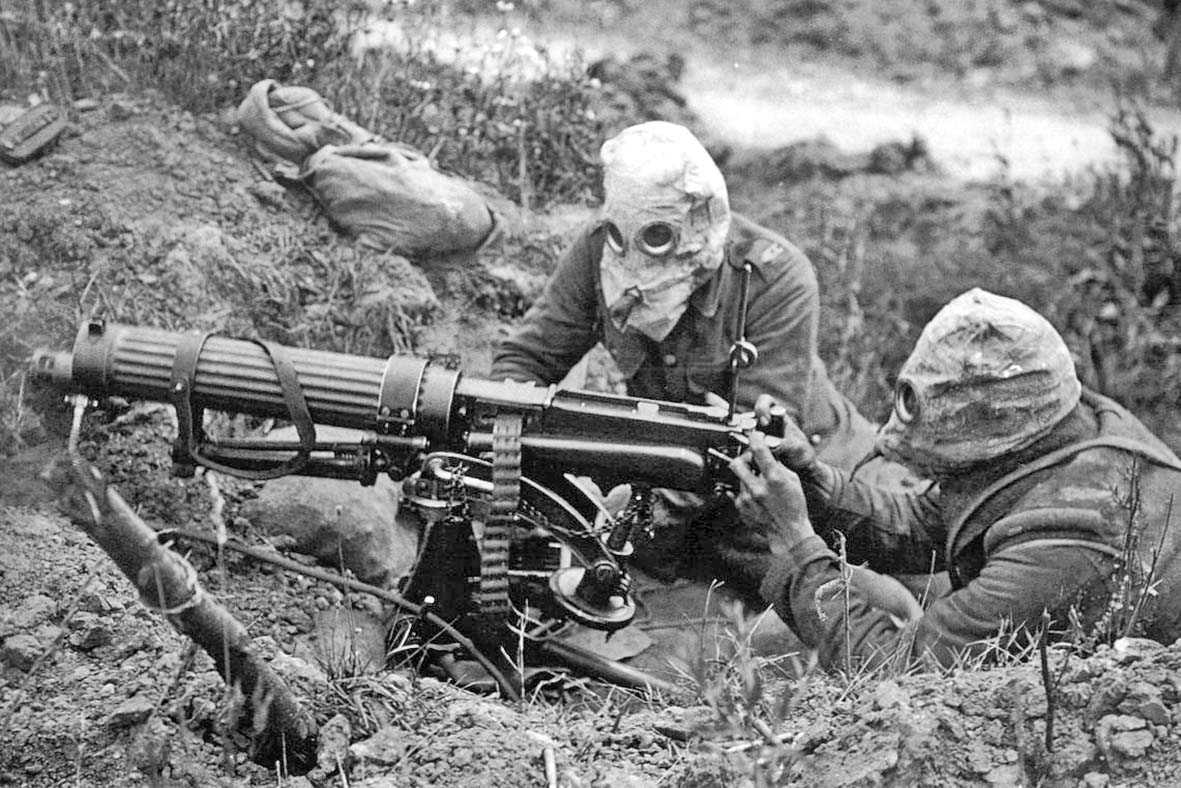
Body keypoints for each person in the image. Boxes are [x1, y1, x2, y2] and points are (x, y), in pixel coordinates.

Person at [491, 120, 901, 595]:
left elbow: (753, 446)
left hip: (803, 482)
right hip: (680, 485)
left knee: (879, 599)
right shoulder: (597, 253)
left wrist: (626, 508)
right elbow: (527, 360)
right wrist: (513, 456)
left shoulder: (774, 278)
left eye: (660, 236)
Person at [730, 288, 1181, 670]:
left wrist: (794, 543)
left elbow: (894, 670)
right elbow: (937, 518)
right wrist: (818, 485)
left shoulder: (1065, 543)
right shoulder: (1061, 424)